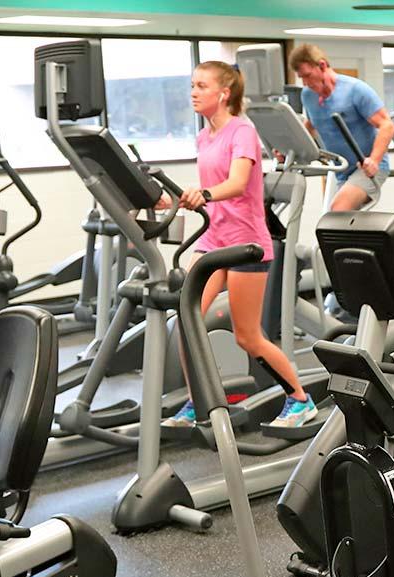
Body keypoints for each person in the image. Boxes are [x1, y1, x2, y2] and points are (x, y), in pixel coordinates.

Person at [162, 60, 316, 429]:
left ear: (224, 92)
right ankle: (199, 400)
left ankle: (300, 399)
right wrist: (170, 200)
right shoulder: (205, 136)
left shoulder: (242, 132)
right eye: (192, 86)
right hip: (213, 241)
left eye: (201, 86)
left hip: (246, 244)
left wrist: (205, 194)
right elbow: (206, 191)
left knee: (247, 336)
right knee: (186, 320)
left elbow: (237, 182)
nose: (194, 93)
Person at [289, 44, 394, 212]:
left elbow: (387, 126)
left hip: (366, 168)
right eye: (301, 77)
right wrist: (288, 150)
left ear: (322, 65)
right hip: (341, 169)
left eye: (308, 75)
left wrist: (374, 160)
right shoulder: (308, 95)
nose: (305, 82)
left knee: (339, 209)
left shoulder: (355, 90)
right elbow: (309, 127)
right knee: (339, 222)